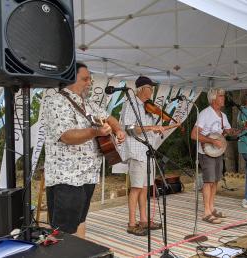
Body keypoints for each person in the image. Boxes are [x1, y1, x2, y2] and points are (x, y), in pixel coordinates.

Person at [42, 62, 126, 239]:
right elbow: (67, 136)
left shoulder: (88, 104)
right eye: (85, 79)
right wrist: (95, 131)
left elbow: (109, 118)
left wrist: (118, 130)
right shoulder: (57, 101)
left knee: (80, 221)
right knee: (62, 231)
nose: (90, 82)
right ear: (70, 79)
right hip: (67, 177)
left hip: (87, 175)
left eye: (90, 79)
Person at [120, 76, 171, 236]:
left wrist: (156, 129)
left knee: (143, 188)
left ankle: (143, 220)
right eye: (150, 88)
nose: (152, 91)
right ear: (142, 89)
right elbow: (128, 128)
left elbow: (147, 129)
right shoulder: (130, 104)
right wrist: (151, 127)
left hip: (146, 151)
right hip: (136, 150)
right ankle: (131, 223)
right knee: (136, 188)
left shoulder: (147, 106)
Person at [191, 88, 237, 224]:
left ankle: (211, 208)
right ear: (213, 99)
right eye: (221, 96)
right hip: (206, 152)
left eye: (223, 96)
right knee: (208, 181)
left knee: (216, 180)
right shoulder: (205, 114)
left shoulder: (223, 116)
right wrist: (212, 141)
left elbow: (229, 131)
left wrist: (241, 129)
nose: (223, 98)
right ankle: (206, 213)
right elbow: (194, 135)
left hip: (218, 152)